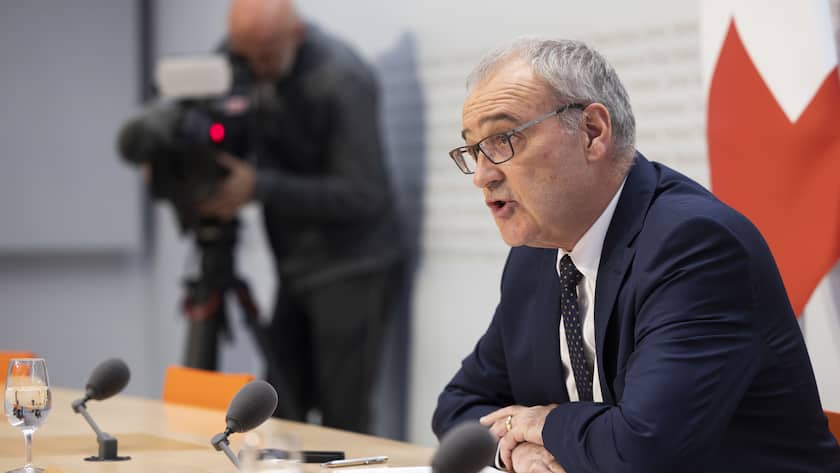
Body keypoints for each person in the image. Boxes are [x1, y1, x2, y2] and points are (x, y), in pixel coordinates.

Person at [432, 38, 840, 473]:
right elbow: (458, 405)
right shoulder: (536, 256)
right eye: (474, 150)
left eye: (503, 139)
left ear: (592, 132)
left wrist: (545, 422)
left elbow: (643, 450)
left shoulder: (695, 246)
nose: (482, 175)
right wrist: (517, 447)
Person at [197, 0, 403, 433]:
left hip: (353, 268)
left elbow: (362, 193)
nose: (252, 67)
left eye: (265, 55)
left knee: (342, 421)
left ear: (298, 35)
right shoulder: (242, 55)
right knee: (276, 413)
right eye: (243, 53)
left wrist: (258, 186)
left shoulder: (342, 77)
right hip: (296, 268)